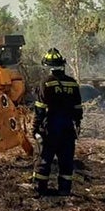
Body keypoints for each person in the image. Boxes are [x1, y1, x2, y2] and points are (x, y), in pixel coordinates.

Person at [30, 48, 83, 196]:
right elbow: (78, 108)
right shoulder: (73, 84)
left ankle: (40, 189)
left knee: (44, 159)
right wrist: (77, 125)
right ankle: (64, 190)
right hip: (67, 128)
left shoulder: (45, 83)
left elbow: (40, 109)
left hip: (50, 128)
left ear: (46, 66)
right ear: (62, 64)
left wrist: (34, 129)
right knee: (66, 161)